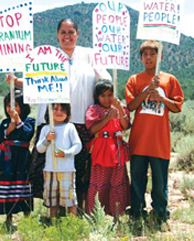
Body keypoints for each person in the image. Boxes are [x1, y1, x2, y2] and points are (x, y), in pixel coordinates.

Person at [7, 18, 112, 209]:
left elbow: (106, 80)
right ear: (57, 34)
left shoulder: (89, 56)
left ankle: (77, 206)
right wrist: (17, 81)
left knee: (79, 165)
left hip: (81, 121)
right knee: (47, 164)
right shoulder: (48, 56)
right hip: (51, 120)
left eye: (71, 32)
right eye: (63, 32)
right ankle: (53, 206)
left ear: (78, 34)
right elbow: (35, 81)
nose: (67, 36)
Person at [125, 40, 184, 227]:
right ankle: (136, 211)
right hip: (139, 140)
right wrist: (147, 91)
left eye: (153, 54)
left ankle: (160, 212)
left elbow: (177, 107)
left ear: (160, 57)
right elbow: (131, 106)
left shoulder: (169, 80)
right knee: (137, 179)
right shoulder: (134, 79)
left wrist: (161, 97)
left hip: (160, 141)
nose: (149, 58)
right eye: (145, 55)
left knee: (160, 182)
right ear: (141, 58)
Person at [85, 80, 130, 218]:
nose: (107, 99)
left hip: (116, 149)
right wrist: (108, 117)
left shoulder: (119, 108)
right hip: (101, 149)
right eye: (103, 95)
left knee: (117, 182)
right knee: (99, 182)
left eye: (110, 95)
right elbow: (92, 129)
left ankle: (117, 213)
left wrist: (119, 109)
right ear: (97, 96)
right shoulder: (93, 110)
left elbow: (125, 126)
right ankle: (95, 214)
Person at [0, 90, 35, 228]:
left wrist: (18, 121)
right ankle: (8, 217)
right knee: (8, 186)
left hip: (22, 159)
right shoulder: (5, 122)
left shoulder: (29, 121)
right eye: (8, 105)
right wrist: (8, 130)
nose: (11, 108)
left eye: (15, 105)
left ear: (23, 106)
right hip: (7, 160)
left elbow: (27, 135)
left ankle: (27, 216)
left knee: (23, 185)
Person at [36, 103, 81, 218]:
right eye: (55, 109)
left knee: (69, 197)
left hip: (67, 170)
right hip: (50, 170)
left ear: (68, 112)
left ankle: (73, 222)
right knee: (52, 199)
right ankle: (53, 221)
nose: (59, 112)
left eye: (63, 109)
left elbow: (78, 146)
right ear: (49, 112)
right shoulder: (46, 129)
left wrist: (66, 153)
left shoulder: (70, 127)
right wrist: (47, 139)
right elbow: (39, 149)